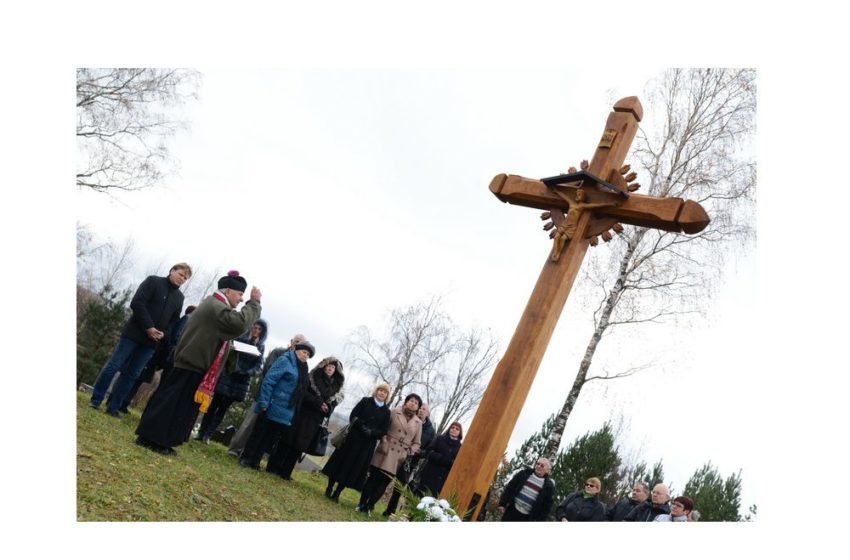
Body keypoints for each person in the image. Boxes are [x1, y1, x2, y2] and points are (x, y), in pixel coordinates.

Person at [135, 270, 261, 455]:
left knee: (173, 404)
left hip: (192, 363)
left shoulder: (214, 304)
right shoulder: (216, 305)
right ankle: (155, 439)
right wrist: (254, 303)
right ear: (228, 291)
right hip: (192, 364)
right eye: (240, 294)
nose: (241, 299)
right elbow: (238, 324)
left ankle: (157, 439)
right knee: (172, 405)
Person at [90, 263, 191, 416]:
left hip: (152, 342)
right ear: (172, 270)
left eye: (185, 277)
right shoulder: (153, 281)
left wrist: (164, 333)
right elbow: (137, 303)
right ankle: (96, 400)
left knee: (132, 374)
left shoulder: (179, 298)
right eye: (181, 274)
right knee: (114, 365)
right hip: (133, 333)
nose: (182, 279)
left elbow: (173, 321)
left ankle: (113, 407)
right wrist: (149, 327)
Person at [238, 340, 316, 469]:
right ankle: (246, 458)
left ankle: (255, 461)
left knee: (269, 437)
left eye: (308, 354)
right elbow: (269, 380)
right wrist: (264, 401)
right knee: (259, 434)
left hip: (285, 410)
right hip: (271, 404)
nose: (305, 356)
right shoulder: (285, 361)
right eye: (304, 352)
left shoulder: (303, 368)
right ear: (296, 350)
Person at [265, 356, 345, 479]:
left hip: (314, 420)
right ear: (323, 366)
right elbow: (302, 393)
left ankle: (286, 472)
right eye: (328, 366)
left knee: (299, 446)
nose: (330, 368)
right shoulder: (312, 378)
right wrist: (317, 402)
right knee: (286, 441)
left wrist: (328, 408)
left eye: (333, 367)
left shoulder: (336, 387)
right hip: (301, 414)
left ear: (336, 370)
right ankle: (273, 467)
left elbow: (333, 404)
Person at [227, 334, 305, 457]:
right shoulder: (279, 352)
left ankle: (250, 454)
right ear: (291, 342)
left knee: (261, 431)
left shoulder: (299, 364)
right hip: (263, 395)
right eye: (296, 341)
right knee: (249, 424)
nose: (297, 344)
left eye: (300, 343)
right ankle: (235, 449)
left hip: (277, 403)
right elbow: (268, 370)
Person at [195, 319, 268, 444]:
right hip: (228, 375)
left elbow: (258, 365)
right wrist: (235, 367)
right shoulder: (239, 338)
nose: (256, 331)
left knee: (223, 408)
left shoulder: (260, 346)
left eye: (259, 329)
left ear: (262, 332)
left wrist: (248, 372)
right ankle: (201, 432)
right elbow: (228, 354)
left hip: (241, 381)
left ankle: (208, 435)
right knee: (213, 405)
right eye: (254, 327)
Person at [120, 305, 196, 413]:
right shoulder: (185, 320)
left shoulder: (183, 321)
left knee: (139, 378)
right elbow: (175, 338)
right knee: (136, 375)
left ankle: (124, 402)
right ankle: (122, 401)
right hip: (158, 352)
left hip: (159, 354)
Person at [322, 383, 392, 503]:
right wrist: (362, 426)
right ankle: (329, 487)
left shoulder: (386, 411)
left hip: (366, 445)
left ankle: (337, 493)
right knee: (339, 464)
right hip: (352, 439)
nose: (382, 393)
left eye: (385, 392)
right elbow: (353, 416)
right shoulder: (365, 401)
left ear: (387, 396)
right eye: (380, 390)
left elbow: (383, 430)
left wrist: (372, 432)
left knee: (352, 469)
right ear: (376, 391)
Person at [356, 393, 423, 516]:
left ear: (418, 407)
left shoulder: (418, 423)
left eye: (416, 402)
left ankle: (370, 506)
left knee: (384, 482)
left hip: (399, 456)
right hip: (385, 449)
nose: (413, 403)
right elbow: (382, 428)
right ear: (406, 402)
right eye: (411, 400)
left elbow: (417, 443)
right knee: (373, 478)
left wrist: (409, 452)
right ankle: (361, 504)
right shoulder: (394, 412)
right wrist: (383, 440)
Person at [383, 402, 436, 516]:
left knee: (399, 487)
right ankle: (371, 503)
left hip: (410, 462)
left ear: (428, 414)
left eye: (424, 410)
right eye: (420, 408)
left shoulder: (431, 431)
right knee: (385, 479)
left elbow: (429, 450)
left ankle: (390, 511)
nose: (421, 411)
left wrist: (420, 452)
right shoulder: (411, 420)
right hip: (397, 454)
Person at [498, 458, 555, 522]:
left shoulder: (548, 486)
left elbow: (546, 506)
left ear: (547, 470)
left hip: (528, 518)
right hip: (512, 510)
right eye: (538, 464)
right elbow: (510, 487)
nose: (539, 466)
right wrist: (502, 504)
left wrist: (539, 520)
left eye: (542, 465)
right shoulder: (524, 473)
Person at [416, 421, 463, 497]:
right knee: (420, 496)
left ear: (460, 433)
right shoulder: (440, 439)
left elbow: (457, 463)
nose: (454, 430)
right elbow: (428, 451)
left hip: (442, 479)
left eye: (457, 429)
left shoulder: (460, 447)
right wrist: (439, 458)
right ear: (449, 429)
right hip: (429, 473)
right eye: (452, 427)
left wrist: (450, 462)